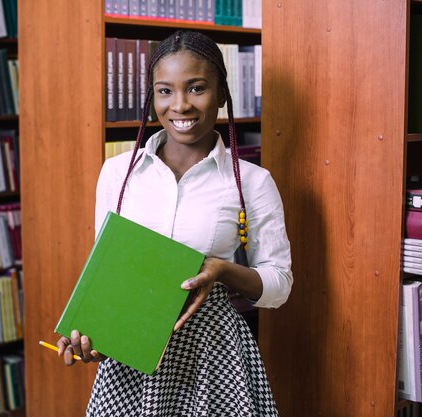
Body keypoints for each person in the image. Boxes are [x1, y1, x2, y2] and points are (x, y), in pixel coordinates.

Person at [57, 30, 293, 416]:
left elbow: (279, 285)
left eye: (196, 88)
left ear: (222, 93)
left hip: (213, 358)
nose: (179, 105)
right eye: (164, 91)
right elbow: (106, 275)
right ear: (152, 98)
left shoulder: (252, 181)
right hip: (129, 358)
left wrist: (219, 270)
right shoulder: (118, 172)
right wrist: (90, 337)